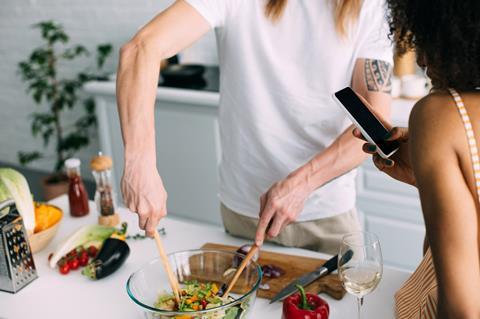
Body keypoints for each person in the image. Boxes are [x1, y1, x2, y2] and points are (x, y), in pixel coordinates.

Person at [116, 0, 393, 254]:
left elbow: (375, 122)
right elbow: (141, 48)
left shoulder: (370, 7)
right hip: (245, 212)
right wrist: (139, 163)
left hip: (328, 215)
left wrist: (301, 184)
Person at [354, 1, 480, 317]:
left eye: (429, 39)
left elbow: (463, 307)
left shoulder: (444, 113)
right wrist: (429, 179)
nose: (422, 59)